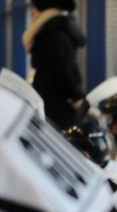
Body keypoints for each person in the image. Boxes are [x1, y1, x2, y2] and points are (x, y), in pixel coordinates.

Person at [22, 0, 86, 130]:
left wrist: (77, 96)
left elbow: (63, 72)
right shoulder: (56, 30)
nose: (33, 12)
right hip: (57, 108)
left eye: (35, 7)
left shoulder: (51, 35)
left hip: (56, 111)